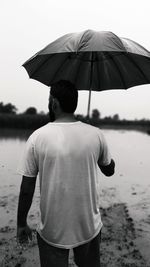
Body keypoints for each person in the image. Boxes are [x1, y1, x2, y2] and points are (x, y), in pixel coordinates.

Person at [17, 80, 115, 267]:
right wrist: (104, 152)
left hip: (52, 229)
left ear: (54, 102)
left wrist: (21, 223)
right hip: (88, 226)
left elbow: (27, 187)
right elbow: (109, 170)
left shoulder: (37, 137)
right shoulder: (96, 134)